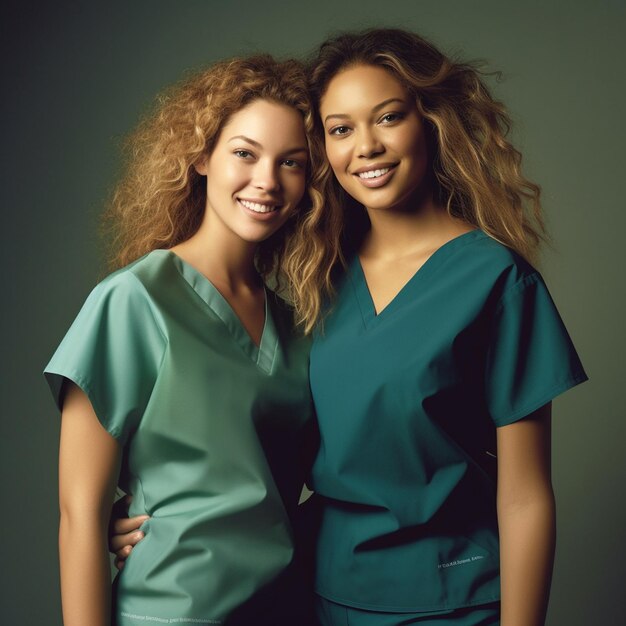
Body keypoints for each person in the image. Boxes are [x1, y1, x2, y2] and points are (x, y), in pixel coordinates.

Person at [110, 29, 588, 626]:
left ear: (430, 122)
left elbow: (524, 498)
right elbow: (248, 442)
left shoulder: (496, 282)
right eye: (340, 129)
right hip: (316, 595)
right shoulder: (318, 279)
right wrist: (146, 515)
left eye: (387, 118)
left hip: (452, 603)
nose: (366, 146)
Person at [44, 55, 323, 626]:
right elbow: (80, 513)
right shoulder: (134, 300)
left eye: (291, 163)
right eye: (244, 153)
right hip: (170, 613)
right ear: (200, 157)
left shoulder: (298, 326)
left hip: (285, 611)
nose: (267, 181)